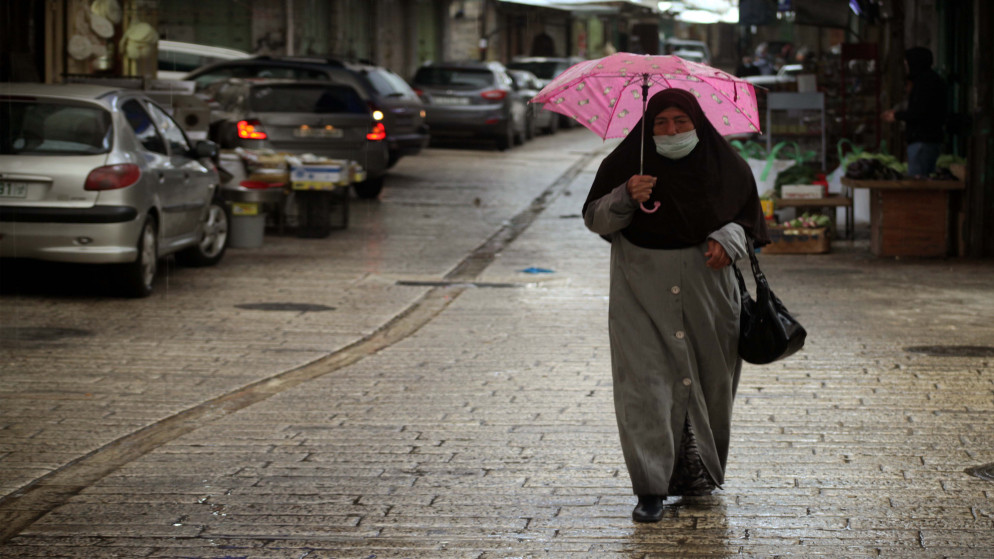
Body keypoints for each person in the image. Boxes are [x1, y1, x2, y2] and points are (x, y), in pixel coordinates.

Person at [582, 89, 769, 523]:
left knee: (710, 385)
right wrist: (626, 195)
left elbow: (749, 221)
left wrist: (729, 240)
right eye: (661, 122)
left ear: (698, 123)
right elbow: (596, 219)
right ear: (648, 128)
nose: (671, 131)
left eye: (680, 122)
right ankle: (650, 488)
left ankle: (697, 476)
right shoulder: (625, 165)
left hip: (709, 297)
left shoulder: (728, 167)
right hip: (639, 294)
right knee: (645, 387)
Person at [882, 47, 947, 177]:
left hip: (922, 141)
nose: (906, 67)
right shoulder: (932, 80)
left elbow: (919, 112)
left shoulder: (924, 83)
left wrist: (897, 115)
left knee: (918, 185)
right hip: (930, 140)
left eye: (907, 64)